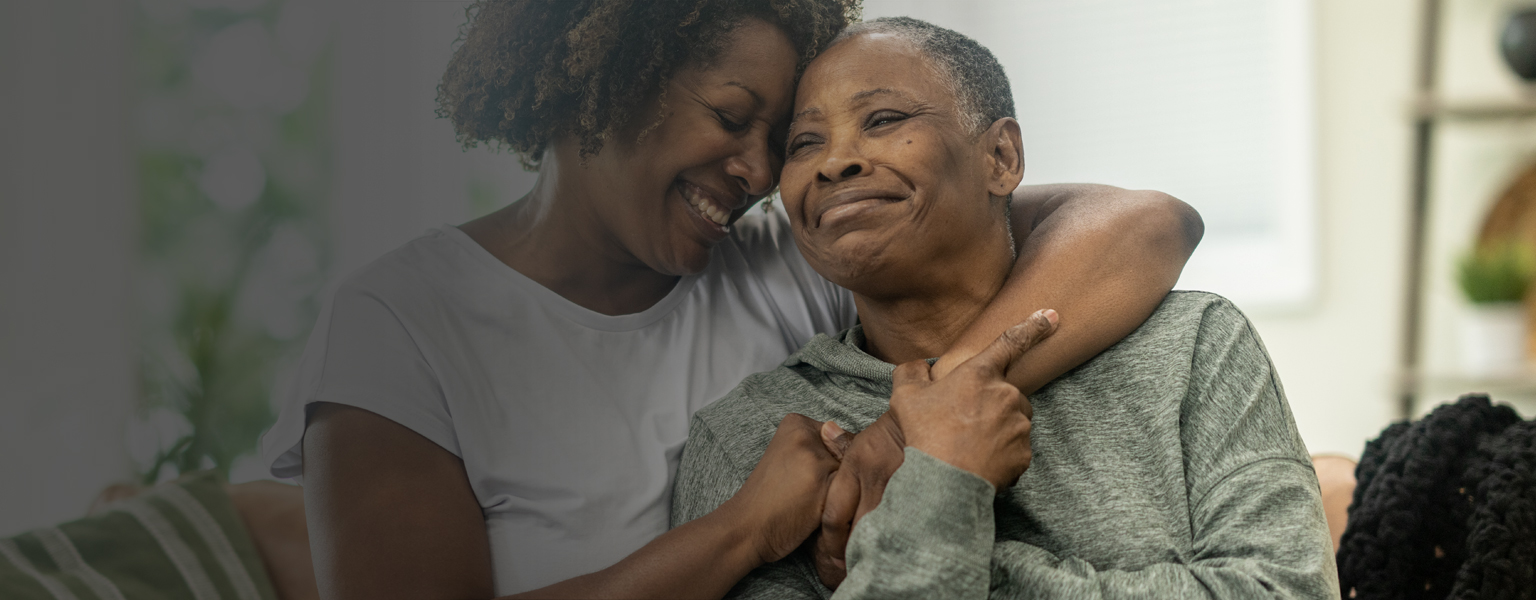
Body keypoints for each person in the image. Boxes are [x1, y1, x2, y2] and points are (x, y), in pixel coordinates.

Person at [261, 2, 1205, 598]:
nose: (756, 173)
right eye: (728, 118)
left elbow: (1142, 223)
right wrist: (742, 530)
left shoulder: (780, 264)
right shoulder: (401, 326)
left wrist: (919, 425)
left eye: (778, 138)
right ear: (602, 85)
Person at [671, 17, 1338, 599]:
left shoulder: (1194, 344)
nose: (836, 161)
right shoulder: (754, 438)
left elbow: (1289, 590)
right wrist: (947, 486)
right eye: (804, 143)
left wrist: (952, 535)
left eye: (883, 120)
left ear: (1001, 156)